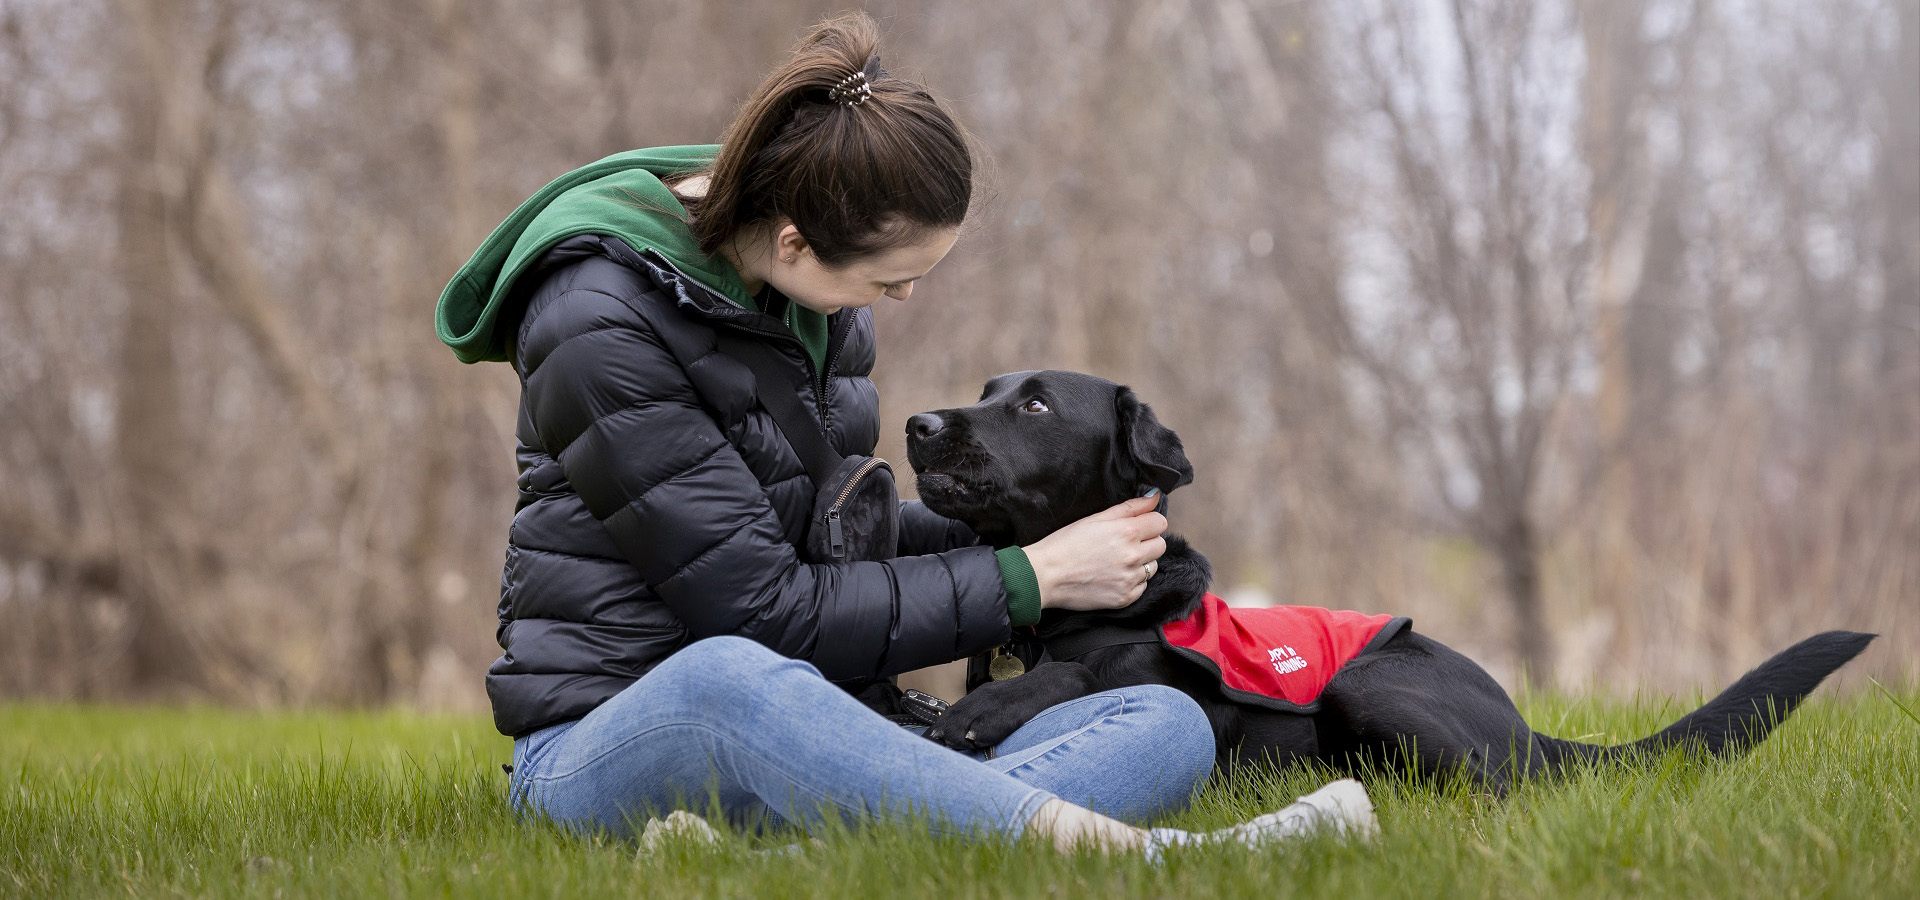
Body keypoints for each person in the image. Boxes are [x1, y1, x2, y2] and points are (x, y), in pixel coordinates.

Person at [434, 12, 1376, 854]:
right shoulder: (597, 319)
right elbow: (765, 609)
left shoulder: (808, 283)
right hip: (617, 737)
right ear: (798, 239)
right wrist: (1030, 578)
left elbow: (842, 527)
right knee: (725, 675)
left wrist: (1050, 537)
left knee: (1164, 717)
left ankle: (847, 847)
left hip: (832, 715)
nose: (904, 298)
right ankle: (1152, 853)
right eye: (891, 281)